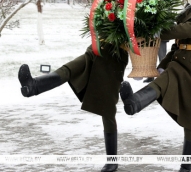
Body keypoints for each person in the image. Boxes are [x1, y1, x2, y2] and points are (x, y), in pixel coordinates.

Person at [119, 0, 191, 172]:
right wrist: (161, 65)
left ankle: (186, 165)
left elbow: (189, 30)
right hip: (178, 62)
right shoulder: (186, 12)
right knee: (161, 82)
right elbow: (177, 43)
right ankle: (133, 103)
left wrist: (160, 31)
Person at [18, 44, 128, 172]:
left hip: (116, 57)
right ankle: (33, 86)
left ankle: (112, 161)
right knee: (69, 69)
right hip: (97, 49)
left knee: (107, 108)